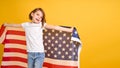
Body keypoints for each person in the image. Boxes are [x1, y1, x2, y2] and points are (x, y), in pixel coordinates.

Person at [4, 8, 73, 68]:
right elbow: (15, 25)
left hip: (39, 54)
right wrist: (6, 24)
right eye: (37, 14)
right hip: (30, 53)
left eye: (41, 17)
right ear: (32, 14)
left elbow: (55, 27)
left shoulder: (41, 25)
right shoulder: (26, 25)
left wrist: (69, 30)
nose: (39, 18)